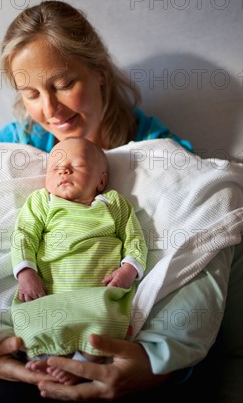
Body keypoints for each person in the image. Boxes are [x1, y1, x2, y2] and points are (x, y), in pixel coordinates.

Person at [0, 0, 243, 403]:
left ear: (99, 71)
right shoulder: (10, 152)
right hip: (31, 344)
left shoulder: (163, 156)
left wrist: (156, 363)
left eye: (64, 84)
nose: (50, 109)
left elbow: (196, 251)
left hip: (126, 342)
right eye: (31, 93)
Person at [11, 136, 148, 385]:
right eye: (55, 167)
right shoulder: (43, 201)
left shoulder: (113, 203)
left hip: (97, 291)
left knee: (106, 318)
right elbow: (24, 236)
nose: (64, 170)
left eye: (77, 166)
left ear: (101, 180)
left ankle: (84, 361)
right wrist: (26, 273)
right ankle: (47, 355)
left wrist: (129, 269)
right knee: (36, 318)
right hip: (50, 289)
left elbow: (135, 239)